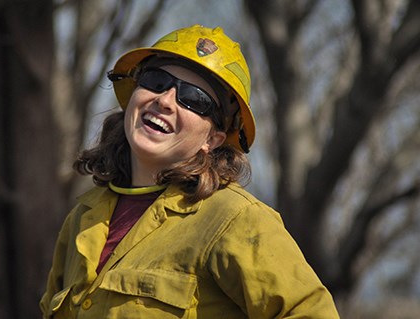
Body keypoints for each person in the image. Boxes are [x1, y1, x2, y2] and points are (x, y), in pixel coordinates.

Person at [40, 24, 340, 318]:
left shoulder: (235, 219)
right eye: (156, 80)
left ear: (213, 139)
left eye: (194, 99)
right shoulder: (83, 217)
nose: (165, 100)